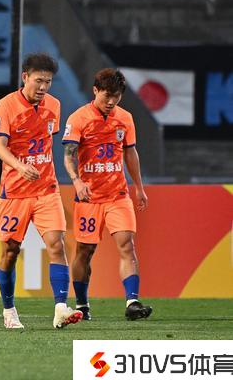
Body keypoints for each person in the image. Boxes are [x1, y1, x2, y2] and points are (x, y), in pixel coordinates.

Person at [0, 53, 82, 330]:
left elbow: (44, 141)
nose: (43, 87)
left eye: (48, 82)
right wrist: (20, 166)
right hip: (14, 192)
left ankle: (60, 308)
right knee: (10, 251)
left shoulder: (54, 105)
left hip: (46, 189)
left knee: (57, 244)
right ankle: (9, 310)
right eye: (39, 80)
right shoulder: (6, 105)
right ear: (25, 77)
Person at [62, 68, 152, 321]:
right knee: (84, 250)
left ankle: (132, 302)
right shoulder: (78, 118)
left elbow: (130, 153)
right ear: (95, 91)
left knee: (127, 244)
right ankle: (82, 305)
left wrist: (139, 187)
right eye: (107, 95)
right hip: (89, 198)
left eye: (116, 96)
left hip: (117, 195)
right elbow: (69, 155)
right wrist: (77, 181)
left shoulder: (125, 119)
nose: (111, 101)